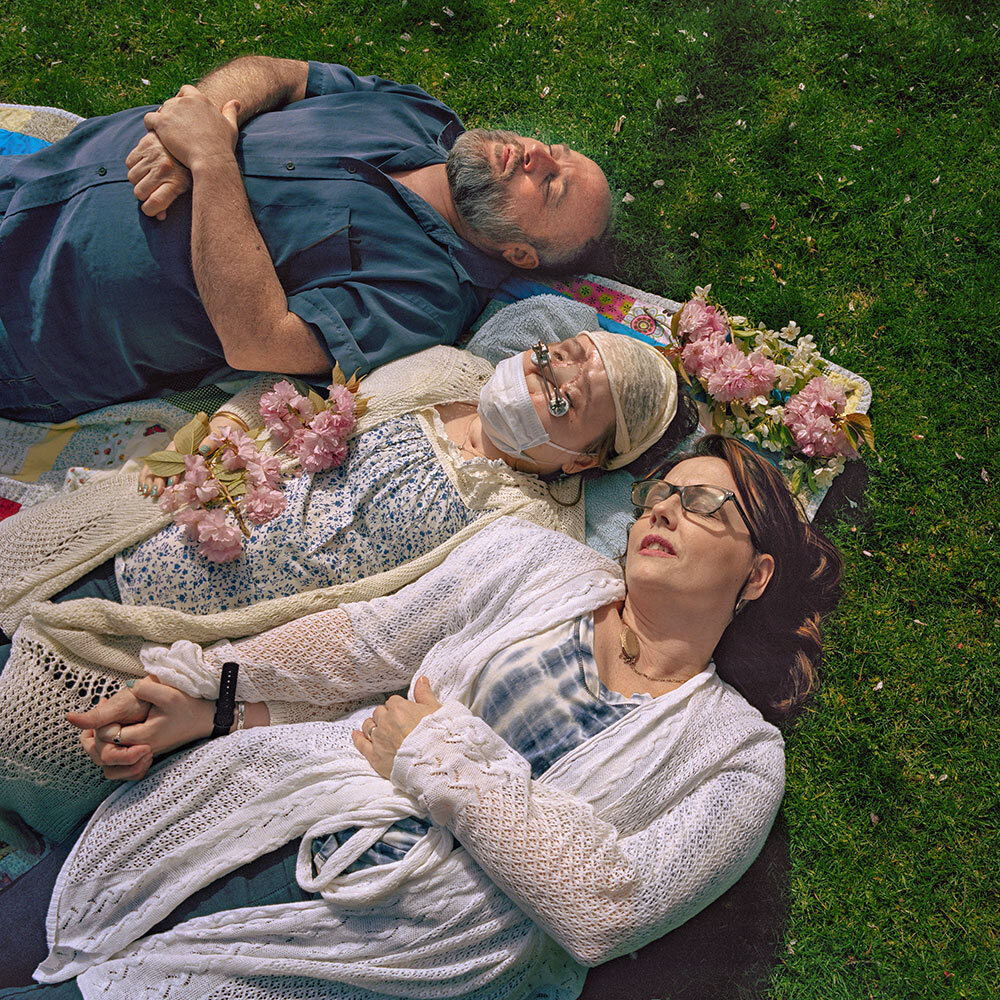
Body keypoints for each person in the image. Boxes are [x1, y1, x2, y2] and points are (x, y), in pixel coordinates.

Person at [0, 436, 842, 999]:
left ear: (759, 574)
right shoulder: (536, 563)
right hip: (241, 812)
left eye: (705, 505)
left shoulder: (737, 759)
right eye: (664, 491)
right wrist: (215, 691)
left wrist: (437, 749)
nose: (662, 508)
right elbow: (367, 642)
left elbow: (604, 909)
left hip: (381, 956)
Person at [0, 305, 685, 842]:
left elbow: (383, 659)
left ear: (580, 465)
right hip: (144, 520)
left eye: (564, 401)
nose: (539, 378)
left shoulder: (527, 533)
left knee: (29, 733)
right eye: (550, 358)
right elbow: (295, 404)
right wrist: (220, 436)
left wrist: (215, 711)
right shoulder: (445, 373)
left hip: (162, 656)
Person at [0, 56, 613, 422]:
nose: (535, 155)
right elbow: (283, 75)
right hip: (32, 177)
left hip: (33, 321)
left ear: (520, 255)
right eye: (553, 151)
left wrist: (210, 160)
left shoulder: (426, 298)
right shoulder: (423, 114)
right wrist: (201, 115)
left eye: (551, 186)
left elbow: (259, 341)